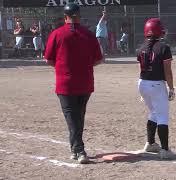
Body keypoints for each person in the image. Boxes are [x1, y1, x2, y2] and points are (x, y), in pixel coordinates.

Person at [44, 3, 103, 164]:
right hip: (85, 82)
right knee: (78, 116)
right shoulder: (89, 34)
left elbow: (49, 59)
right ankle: (75, 149)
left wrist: (62, 66)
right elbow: (99, 59)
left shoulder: (57, 34)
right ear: (79, 16)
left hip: (65, 83)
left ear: (65, 17)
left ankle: (79, 150)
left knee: (72, 118)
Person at [137, 18, 176, 159]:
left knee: (153, 112)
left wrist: (143, 91)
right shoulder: (164, 47)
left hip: (142, 83)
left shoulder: (141, 47)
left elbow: (140, 68)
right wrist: (171, 88)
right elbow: (168, 72)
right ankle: (165, 150)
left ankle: (150, 143)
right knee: (162, 116)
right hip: (156, 84)